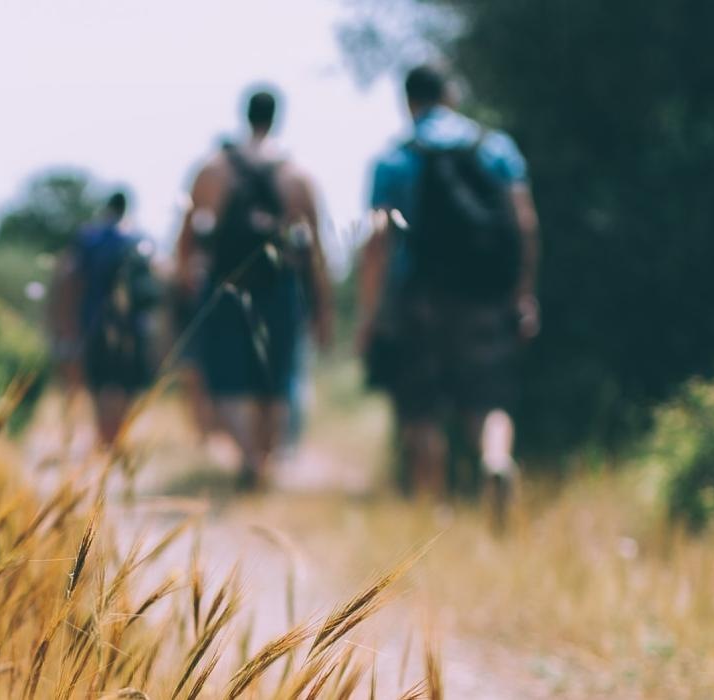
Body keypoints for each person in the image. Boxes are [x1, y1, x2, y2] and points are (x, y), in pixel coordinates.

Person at [356, 65, 540, 527]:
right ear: (451, 94)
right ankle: (495, 461)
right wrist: (523, 292)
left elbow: (378, 242)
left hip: (421, 297)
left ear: (408, 101)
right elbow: (524, 223)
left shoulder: (394, 159)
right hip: (486, 293)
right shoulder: (494, 148)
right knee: (488, 397)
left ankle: (433, 516)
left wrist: (371, 313)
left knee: (422, 408)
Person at [174, 88, 335, 491]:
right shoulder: (297, 175)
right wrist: (322, 309)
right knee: (274, 377)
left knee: (229, 377)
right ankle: (264, 460)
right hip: (280, 287)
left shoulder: (213, 169)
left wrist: (183, 292)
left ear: (244, 116)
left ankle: (247, 456)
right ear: (277, 117)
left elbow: (186, 241)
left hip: (226, 286)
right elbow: (315, 250)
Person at [50, 192, 162, 449]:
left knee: (100, 384)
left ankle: (104, 438)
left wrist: (66, 323)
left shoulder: (89, 238)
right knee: (126, 383)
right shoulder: (139, 238)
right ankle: (117, 435)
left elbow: (70, 280)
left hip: (95, 323)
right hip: (134, 325)